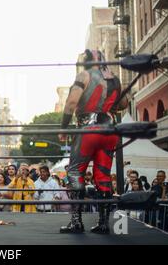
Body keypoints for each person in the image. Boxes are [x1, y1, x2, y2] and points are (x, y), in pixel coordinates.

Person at [59, 49, 128, 234]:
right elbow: (123, 104)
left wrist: (63, 127)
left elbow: (71, 102)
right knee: (103, 176)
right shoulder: (114, 78)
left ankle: (76, 222)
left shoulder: (84, 75)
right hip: (110, 130)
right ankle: (104, 223)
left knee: (74, 172)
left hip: (88, 130)